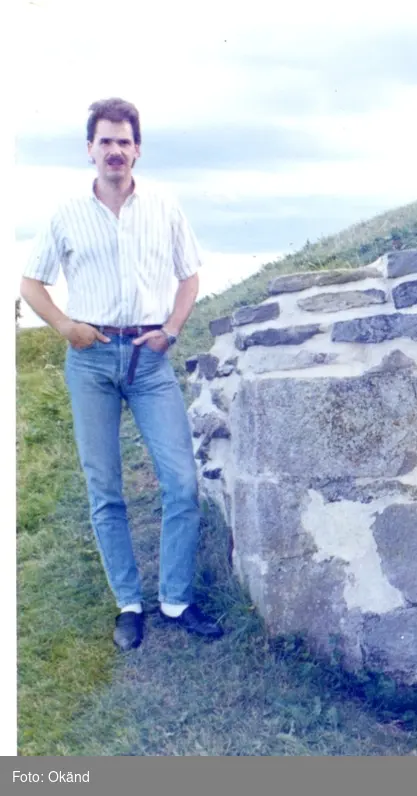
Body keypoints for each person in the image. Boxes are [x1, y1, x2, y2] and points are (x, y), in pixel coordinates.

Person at [20, 97, 223, 651]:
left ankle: (176, 601)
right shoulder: (65, 214)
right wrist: (65, 326)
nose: (115, 150)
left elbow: (189, 277)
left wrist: (173, 329)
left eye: (124, 141)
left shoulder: (163, 205)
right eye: (105, 141)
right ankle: (129, 604)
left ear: (137, 149)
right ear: (90, 149)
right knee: (105, 488)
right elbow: (30, 284)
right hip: (90, 358)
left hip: (149, 357)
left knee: (182, 483)